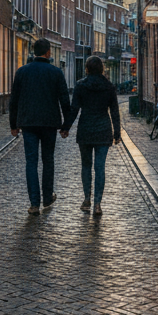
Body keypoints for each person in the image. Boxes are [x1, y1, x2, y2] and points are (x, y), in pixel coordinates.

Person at [10, 38, 72, 215]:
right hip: (49, 124)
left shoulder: (22, 72)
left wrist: (13, 124)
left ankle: (34, 203)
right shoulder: (56, 72)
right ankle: (46, 198)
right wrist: (66, 125)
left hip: (28, 123)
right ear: (48, 53)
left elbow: (14, 100)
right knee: (48, 160)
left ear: (33, 52)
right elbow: (64, 100)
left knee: (31, 161)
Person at [66, 56, 121, 216]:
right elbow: (115, 111)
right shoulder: (109, 87)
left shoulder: (80, 86)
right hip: (103, 129)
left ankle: (86, 199)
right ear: (102, 69)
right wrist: (117, 133)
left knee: (86, 166)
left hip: (86, 129)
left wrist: (66, 127)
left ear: (87, 69)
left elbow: (74, 109)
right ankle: (97, 204)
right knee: (100, 167)